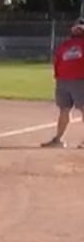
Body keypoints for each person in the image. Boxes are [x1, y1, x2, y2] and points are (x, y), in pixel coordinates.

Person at [46, 17, 84, 148]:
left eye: (81, 27)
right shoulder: (65, 44)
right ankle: (58, 140)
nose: (78, 29)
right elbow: (57, 60)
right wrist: (57, 76)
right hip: (63, 81)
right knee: (64, 110)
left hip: (80, 80)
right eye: (77, 27)